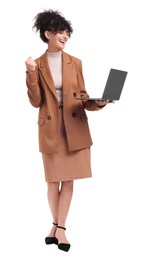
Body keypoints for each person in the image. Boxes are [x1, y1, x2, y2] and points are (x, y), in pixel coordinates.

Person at [25, 9, 112, 252]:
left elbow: (82, 97)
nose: (65, 36)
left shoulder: (76, 62)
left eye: (67, 33)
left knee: (69, 181)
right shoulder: (37, 65)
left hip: (74, 127)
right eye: (61, 32)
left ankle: (59, 229)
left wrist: (99, 102)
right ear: (48, 33)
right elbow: (35, 101)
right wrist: (31, 73)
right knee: (52, 182)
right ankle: (57, 226)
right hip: (51, 129)